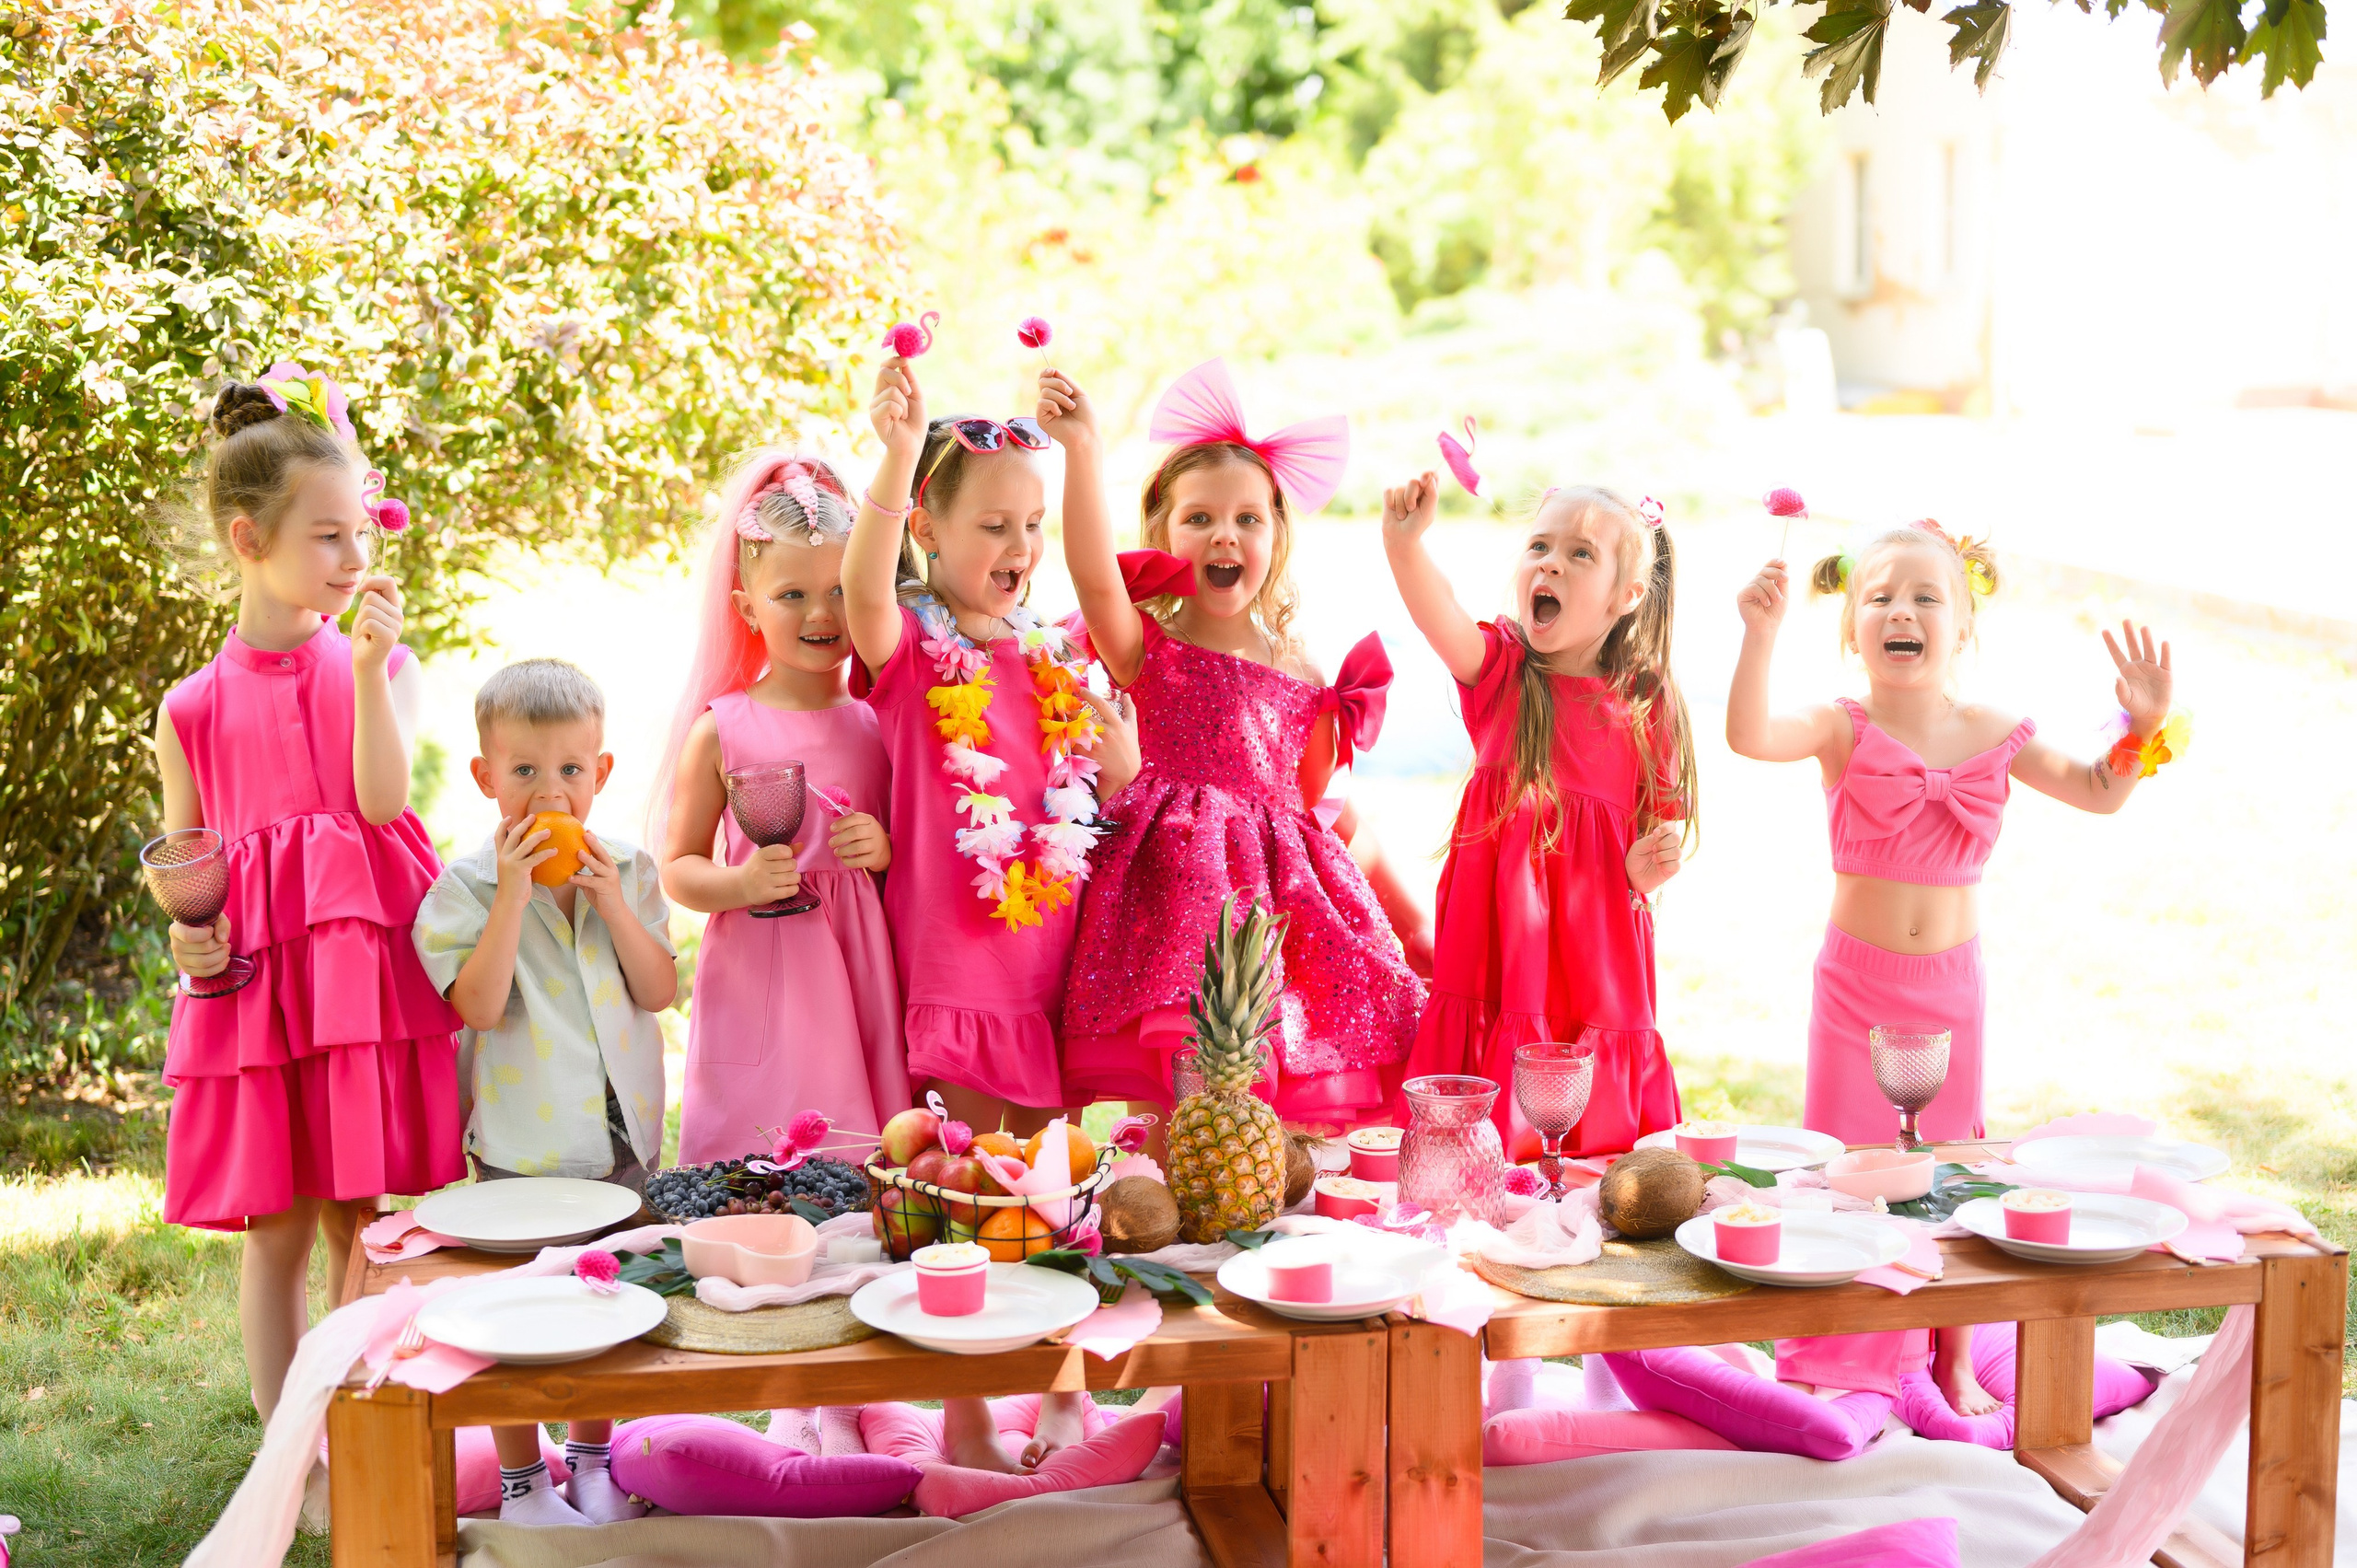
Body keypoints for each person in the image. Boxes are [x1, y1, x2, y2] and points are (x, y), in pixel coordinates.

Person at [1726, 514, 2177, 1416]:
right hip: (1854, 988)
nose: (1902, 609)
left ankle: (1953, 1353)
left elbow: (2099, 790)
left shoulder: (1995, 729)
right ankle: (1839, 1351)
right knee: (1854, 1169)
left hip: (1949, 990)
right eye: (1880, 595)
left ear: (1963, 626)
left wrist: (2143, 721)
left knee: (1953, 1167)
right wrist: (1759, 636)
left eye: (1926, 595)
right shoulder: (1837, 725)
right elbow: (1747, 735)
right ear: (1852, 626)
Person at [156, 368, 463, 1486]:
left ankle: (358, 1421)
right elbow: (185, 856)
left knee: (357, 1213)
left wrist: (375, 670)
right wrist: (189, 936)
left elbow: (382, 802)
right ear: (249, 538)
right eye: (327, 537)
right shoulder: (187, 705)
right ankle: (286, 1441)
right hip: (253, 982)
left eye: (358, 532)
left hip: (352, 969)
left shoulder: (370, 667)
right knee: (272, 1223)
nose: (352, 559)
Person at [843, 338, 1138, 1473]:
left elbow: (1116, 798)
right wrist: (894, 455)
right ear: (929, 529)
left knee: (1057, 1190)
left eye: (1031, 525)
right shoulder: (913, 653)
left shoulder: (1061, 659)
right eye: (990, 525)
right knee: (970, 1193)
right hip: (963, 973)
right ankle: (966, 1417)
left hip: (1057, 973)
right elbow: (866, 587)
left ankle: (1061, 1401)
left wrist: (1119, 757)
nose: (1017, 548)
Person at [1055, 358, 1426, 1138]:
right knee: (1174, 1097)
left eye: (1248, 519)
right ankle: (1164, 1224)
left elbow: (1320, 807)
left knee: (1272, 1102)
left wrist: (1401, 915)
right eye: (1199, 518)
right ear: (1162, 532)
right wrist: (1083, 452)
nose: (1225, 533)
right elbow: (1093, 575)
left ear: (1276, 537)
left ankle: (1261, 1220)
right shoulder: (1146, 643)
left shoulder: (1302, 671)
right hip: (1170, 903)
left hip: (1274, 910)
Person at [412, 658, 679, 1524]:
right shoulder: (465, 889)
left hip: (620, 1143)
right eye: (524, 771)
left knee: (604, 1300)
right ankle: (524, 1479)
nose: (549, 792)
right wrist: (513, 895)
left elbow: (657, 989)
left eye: (570, 769)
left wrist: (614, 903)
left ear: (601, 773)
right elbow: (480, 1006)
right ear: (488, 777)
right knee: (517, 1315)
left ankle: (594, 1458)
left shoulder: (628, 869)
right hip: (522, 1152)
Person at [1381, 476, 1694, 1159]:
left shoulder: (1645, 701)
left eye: (1580, 554)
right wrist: (1406, 548)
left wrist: (1649, 864)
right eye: (1539, 546)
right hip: (1498, 944)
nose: (1549, 562)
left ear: (1627, 595)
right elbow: (1444, 619)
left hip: (1595, 947)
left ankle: (1588, 1172)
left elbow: (1656, 838)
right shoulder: (1503, 672)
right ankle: (1487, 1167)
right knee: (1494, 1079)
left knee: (1594, 1133)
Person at [653, 452, 905, 1163]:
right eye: (791, 594)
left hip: (857, 973)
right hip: (762, 967)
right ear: (746, 607)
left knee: (856, 1153)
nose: (821, 613)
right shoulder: (723, 728)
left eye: (836, 591)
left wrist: (884, 849)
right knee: (755, 1147)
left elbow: (918, 856)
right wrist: (737, 884)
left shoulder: (880, 724)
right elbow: (678, 866)